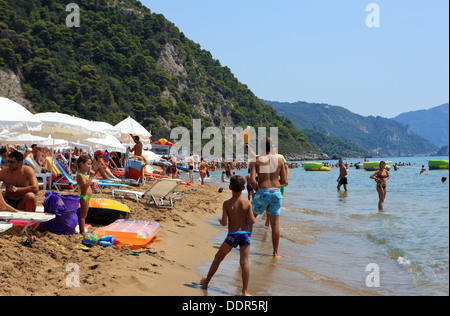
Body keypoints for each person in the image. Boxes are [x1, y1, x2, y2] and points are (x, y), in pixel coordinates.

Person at [200, 175, 255, 296]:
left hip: (232, 235)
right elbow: (252, 221)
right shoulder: (247, 203)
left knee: (218, 257)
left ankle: (206, 281)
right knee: (244, 262)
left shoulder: (226, 204)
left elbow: (224, 223)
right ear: (244, 187)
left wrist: (220, 220)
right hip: (245, 235)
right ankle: (245, 291)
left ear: (229, 187)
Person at [249, 136, 286, 257]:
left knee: (249, 220)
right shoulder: (279, 161)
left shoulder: (256, 160)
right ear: (272, 147)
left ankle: (245, 247)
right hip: (276, 192)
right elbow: (284, 180)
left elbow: (251, 179)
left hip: (263, 191)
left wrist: (257, 190)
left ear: (261, 147)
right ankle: (275, 253)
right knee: (275, 225)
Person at [76, 155, 95, 235]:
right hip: (84, 197)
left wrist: (92, 186)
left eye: (90, 164)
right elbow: (85, 185)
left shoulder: (83, 174)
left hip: (86, 197)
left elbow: (87, 186)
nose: (89, 166)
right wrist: (91, 176)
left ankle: (82, 231)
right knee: (83, 216)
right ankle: (82, 232)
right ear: (81, 164)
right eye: (88, 164)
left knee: (85, 215)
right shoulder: (80, 175)